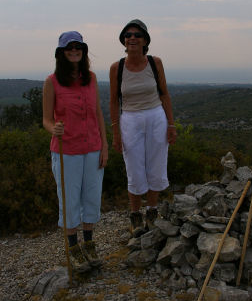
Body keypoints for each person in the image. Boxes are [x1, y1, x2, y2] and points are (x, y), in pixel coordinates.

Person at [43, 31, 108, 272]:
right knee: (69, 200)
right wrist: (54, 129)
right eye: (69, 47)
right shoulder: (52, 81)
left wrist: (105, 146)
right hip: (66, 150)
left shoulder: (90, 78)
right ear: (61, 52)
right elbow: (46, 119)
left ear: (83, 50)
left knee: (91, 196)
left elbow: (98, 114)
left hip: (92, 148)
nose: (74, 50)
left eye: (78, 46)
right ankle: (73, 248)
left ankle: (89, 244)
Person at [109, 19, 177, 237]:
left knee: (156, 163)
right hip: (129, 118)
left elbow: (164, 93)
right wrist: (116, 133)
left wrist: (171, 124)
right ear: (123, 40)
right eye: (128, 35)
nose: (132, 38)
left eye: (137, 35)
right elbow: (113, 101)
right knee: (134, 167)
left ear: (145, 40)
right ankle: (135, 215)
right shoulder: (117, 68)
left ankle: (152, 212)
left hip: (156, 116)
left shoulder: (155, 63)